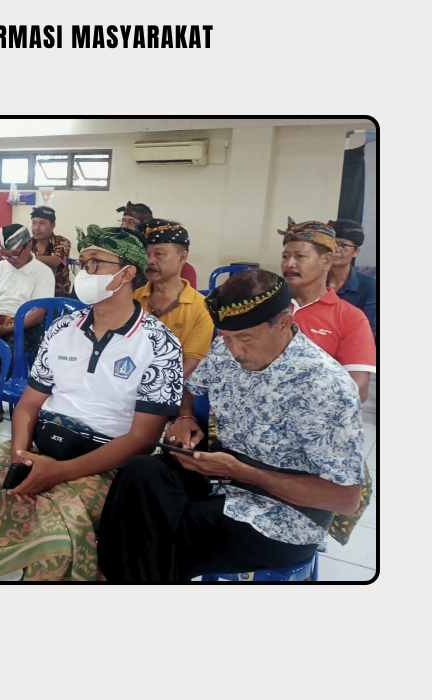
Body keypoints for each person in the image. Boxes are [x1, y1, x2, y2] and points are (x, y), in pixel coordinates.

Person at [0, 227, 183, 580]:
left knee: (55, 530)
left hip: (106, 463)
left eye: (95, 264)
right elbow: (29, 405)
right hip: (41, 447)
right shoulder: (63, 328)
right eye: (83, 262)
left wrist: (58, 473)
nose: (84, 272)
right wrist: (21, 456)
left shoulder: (159, 344)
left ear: (127, 273)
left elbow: (142, 439)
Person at [96, 270, 366, 581]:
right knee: (141, 473)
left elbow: (345, 500)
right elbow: (191, 387)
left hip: (284, 514)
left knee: (166, 530)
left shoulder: (324, 386)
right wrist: (184, 417)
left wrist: (240, 471)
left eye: (246, 338)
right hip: (221, 476)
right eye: (227, 337)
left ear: (284, 321)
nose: (236, 350)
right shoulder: (226, 350)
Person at [279, 219, 376, 402]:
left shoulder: (351, 318)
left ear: (327, 260)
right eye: (285, 257)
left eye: (300, 256)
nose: (289, 264)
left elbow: (356, 390)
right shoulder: (266, 307)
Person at [0, 223, 56, 422]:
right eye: (5, 255)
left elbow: (39, 312)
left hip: (25, 326)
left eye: (14, 255)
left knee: (3, 351)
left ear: (28, 246)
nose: (9, 260)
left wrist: (10, 328)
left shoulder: (43, 272)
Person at [133, 219, 213, 378]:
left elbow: (191, 362)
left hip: (172, 391)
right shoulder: (132, 298)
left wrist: (154, 388)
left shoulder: (201, 306)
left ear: (182, 257)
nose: (149, 261)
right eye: (146, 254)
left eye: (159, 254)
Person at [117, 201, 198, 289]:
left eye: (131, 222)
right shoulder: (118, 257)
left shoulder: (184, 270)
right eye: (123, 221)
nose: (124, 227)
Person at [327, 218, 376, 336]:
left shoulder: (370, 287)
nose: (336, 250)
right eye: (332, 244)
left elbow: (370, 331)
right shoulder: (313, 280)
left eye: (342, 245)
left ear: (356, 252)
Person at [28, 206, 72, 296]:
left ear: (53, 226)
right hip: (31, 292)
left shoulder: (62, 242)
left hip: (57, 295)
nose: (36, 228)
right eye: (34, 223)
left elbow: (55, 260)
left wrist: (26, 259)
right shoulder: (27, 243)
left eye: (42, 223)